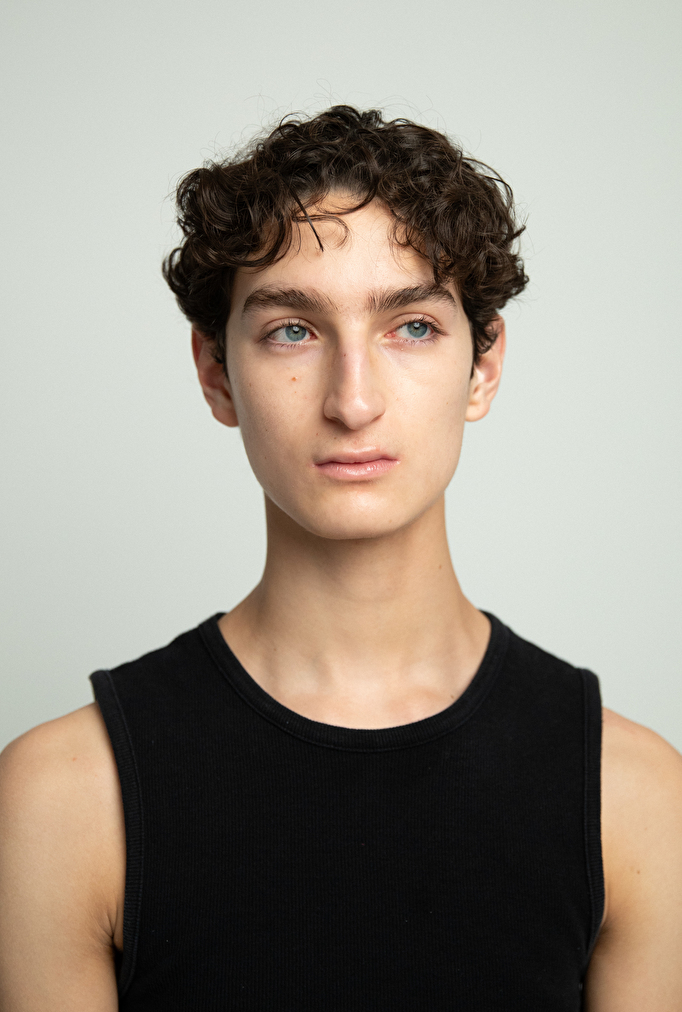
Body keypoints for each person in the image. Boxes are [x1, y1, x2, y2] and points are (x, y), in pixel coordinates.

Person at [0, 106, 681, 1012]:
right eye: (293, 329)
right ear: (215, 372)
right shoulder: (63, 800)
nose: (353, 401)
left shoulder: (633, 797)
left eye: (412, 326)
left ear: (482, 368)